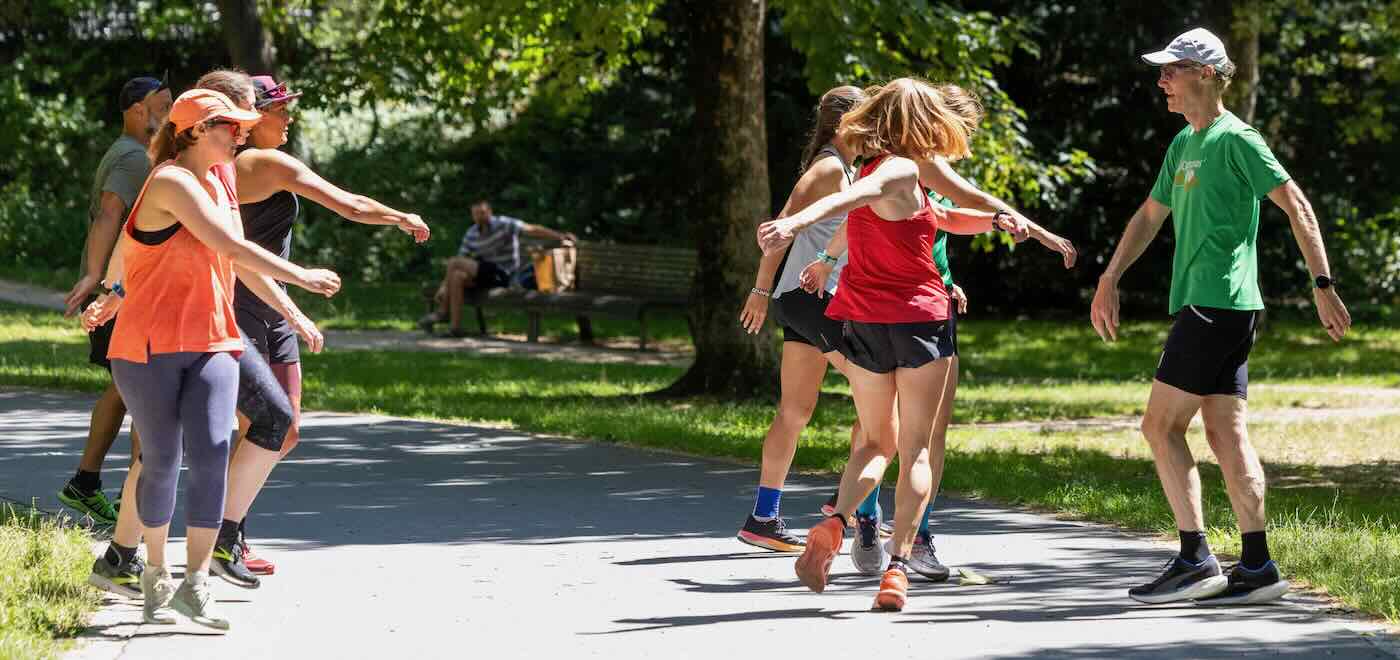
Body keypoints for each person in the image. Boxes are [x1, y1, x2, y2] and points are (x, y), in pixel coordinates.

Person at [1089, 28, 1351, 605]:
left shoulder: (1237, 139)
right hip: (1213, 307)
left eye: (1171, 71)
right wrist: (1110, 277)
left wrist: (1322, 284)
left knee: (1159, 427)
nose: (1161, 81)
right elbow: (1150, 215)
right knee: (1225, 433)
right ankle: (1256, 566)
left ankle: (1194, 557)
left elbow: (1296, 203)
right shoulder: (1185, 142)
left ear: (1205, 74)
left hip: (1218, 304)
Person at [759, 78, 1025, 611]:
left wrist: (1000, 219)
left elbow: (940, 216)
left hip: (866, 325)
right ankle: (899, 567)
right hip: (919, 322)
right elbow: (849, 202)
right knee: (918, 448)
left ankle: (834, 523)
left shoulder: (874, 169)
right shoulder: (904, 168)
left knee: (875, 442)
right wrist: (793, 223)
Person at [105, 88, 339, 630]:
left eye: (241, 128)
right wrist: (302, 275)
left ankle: (196, 583)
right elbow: (225, 245)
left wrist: (291, 310)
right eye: (229, 127)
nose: (240, 136)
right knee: (163, 459)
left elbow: (236, 260)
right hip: (151, 345)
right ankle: (155, 572)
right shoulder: (170, 180)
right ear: (194, 132)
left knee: (212, 451)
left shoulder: (220, 180)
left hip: (213, 339)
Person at [735, 85, 866, 555]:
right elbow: (780, 228)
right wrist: (759, 290)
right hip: (814, 300)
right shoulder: (830, 168)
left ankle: (762, 518)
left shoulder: (849, 169)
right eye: (868, 114)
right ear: (847, 122)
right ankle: (853, 509)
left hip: (808, 301)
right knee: (880, 397)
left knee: (796, 411)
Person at [55, 75, 172, 525]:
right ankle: (133, 501)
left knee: (125, 387)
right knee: (139, 386)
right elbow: (109, 213)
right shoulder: (131, 159)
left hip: (122, 290)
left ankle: (88, 484)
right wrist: (95, 278)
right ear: (137, 111)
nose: (170, 112)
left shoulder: (135, 154)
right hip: (118, 293)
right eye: (162, 105)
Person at [420, 200, 576, 336]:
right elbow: (462, 258)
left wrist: (560, 236)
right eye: (476, 214)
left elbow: (532, 229)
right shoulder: (471, 233)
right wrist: (446, 284)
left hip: (505, 274)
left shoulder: (504, 224)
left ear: (489, 211)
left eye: (483, 212)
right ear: (472, 215)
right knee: (457, 276)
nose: (480, 216)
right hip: (486, 275)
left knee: (455, 262)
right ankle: (455, 327)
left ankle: (443, 312)